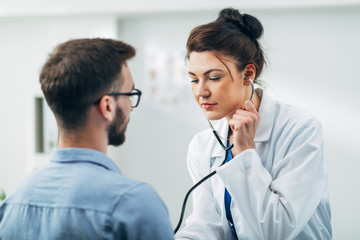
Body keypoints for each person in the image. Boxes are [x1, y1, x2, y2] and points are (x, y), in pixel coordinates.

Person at [175, 8, 331, 240]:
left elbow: (276, 231)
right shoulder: (202, 145)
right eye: (194, 79)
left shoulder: (300, 130)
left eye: (214, 77)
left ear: (248, 74)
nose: (200, 92)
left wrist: (245, 153)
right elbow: (206, 226)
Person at [0, 38, 174, 239]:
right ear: (107, 106)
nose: (131, 105)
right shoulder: (133, 202)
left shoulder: (14, 202)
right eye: (129, 93)